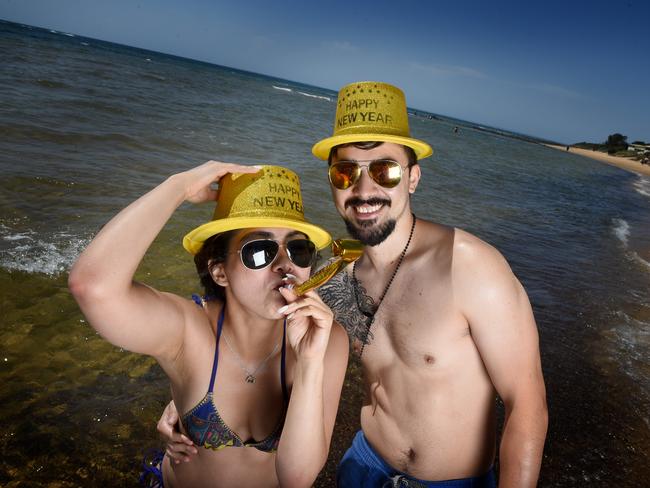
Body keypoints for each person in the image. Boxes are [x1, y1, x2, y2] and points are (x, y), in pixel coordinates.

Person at [160, 82, 548, 487]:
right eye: (346, 172)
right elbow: (252, 345)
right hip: (362, 468)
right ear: (332, 182)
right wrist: (186, 407)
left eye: (386, 170)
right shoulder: (334, 282)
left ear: (413, 178)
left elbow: (527, 403)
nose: (364, 190)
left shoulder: (469, 267)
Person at [68, 162, 349, 488]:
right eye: (259, 251)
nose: (284, 264)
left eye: (298, 249)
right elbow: (93, 286)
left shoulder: (326, 339)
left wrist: (311, 362)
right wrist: (179, 186)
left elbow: (296, 478)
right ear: (220, 272)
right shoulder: (187, 331)